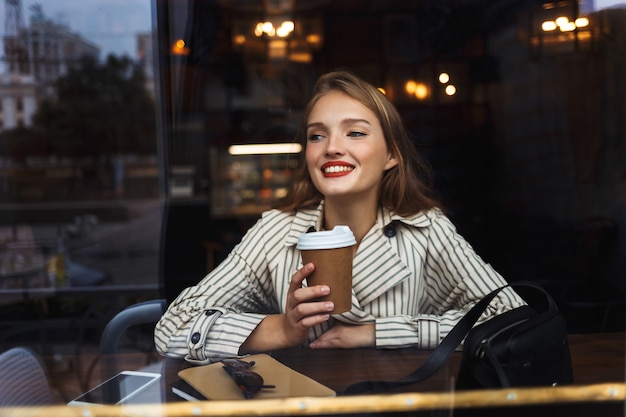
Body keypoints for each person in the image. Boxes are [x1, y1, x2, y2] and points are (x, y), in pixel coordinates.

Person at [154, 71, 525, 364]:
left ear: (392, 155)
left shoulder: (425, 230)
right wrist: (280, 329)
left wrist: (379, 332)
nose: (332, 147)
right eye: (317, 136)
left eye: (355, 132)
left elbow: (511, 317)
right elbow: (172, 326)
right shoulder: (277, 231)